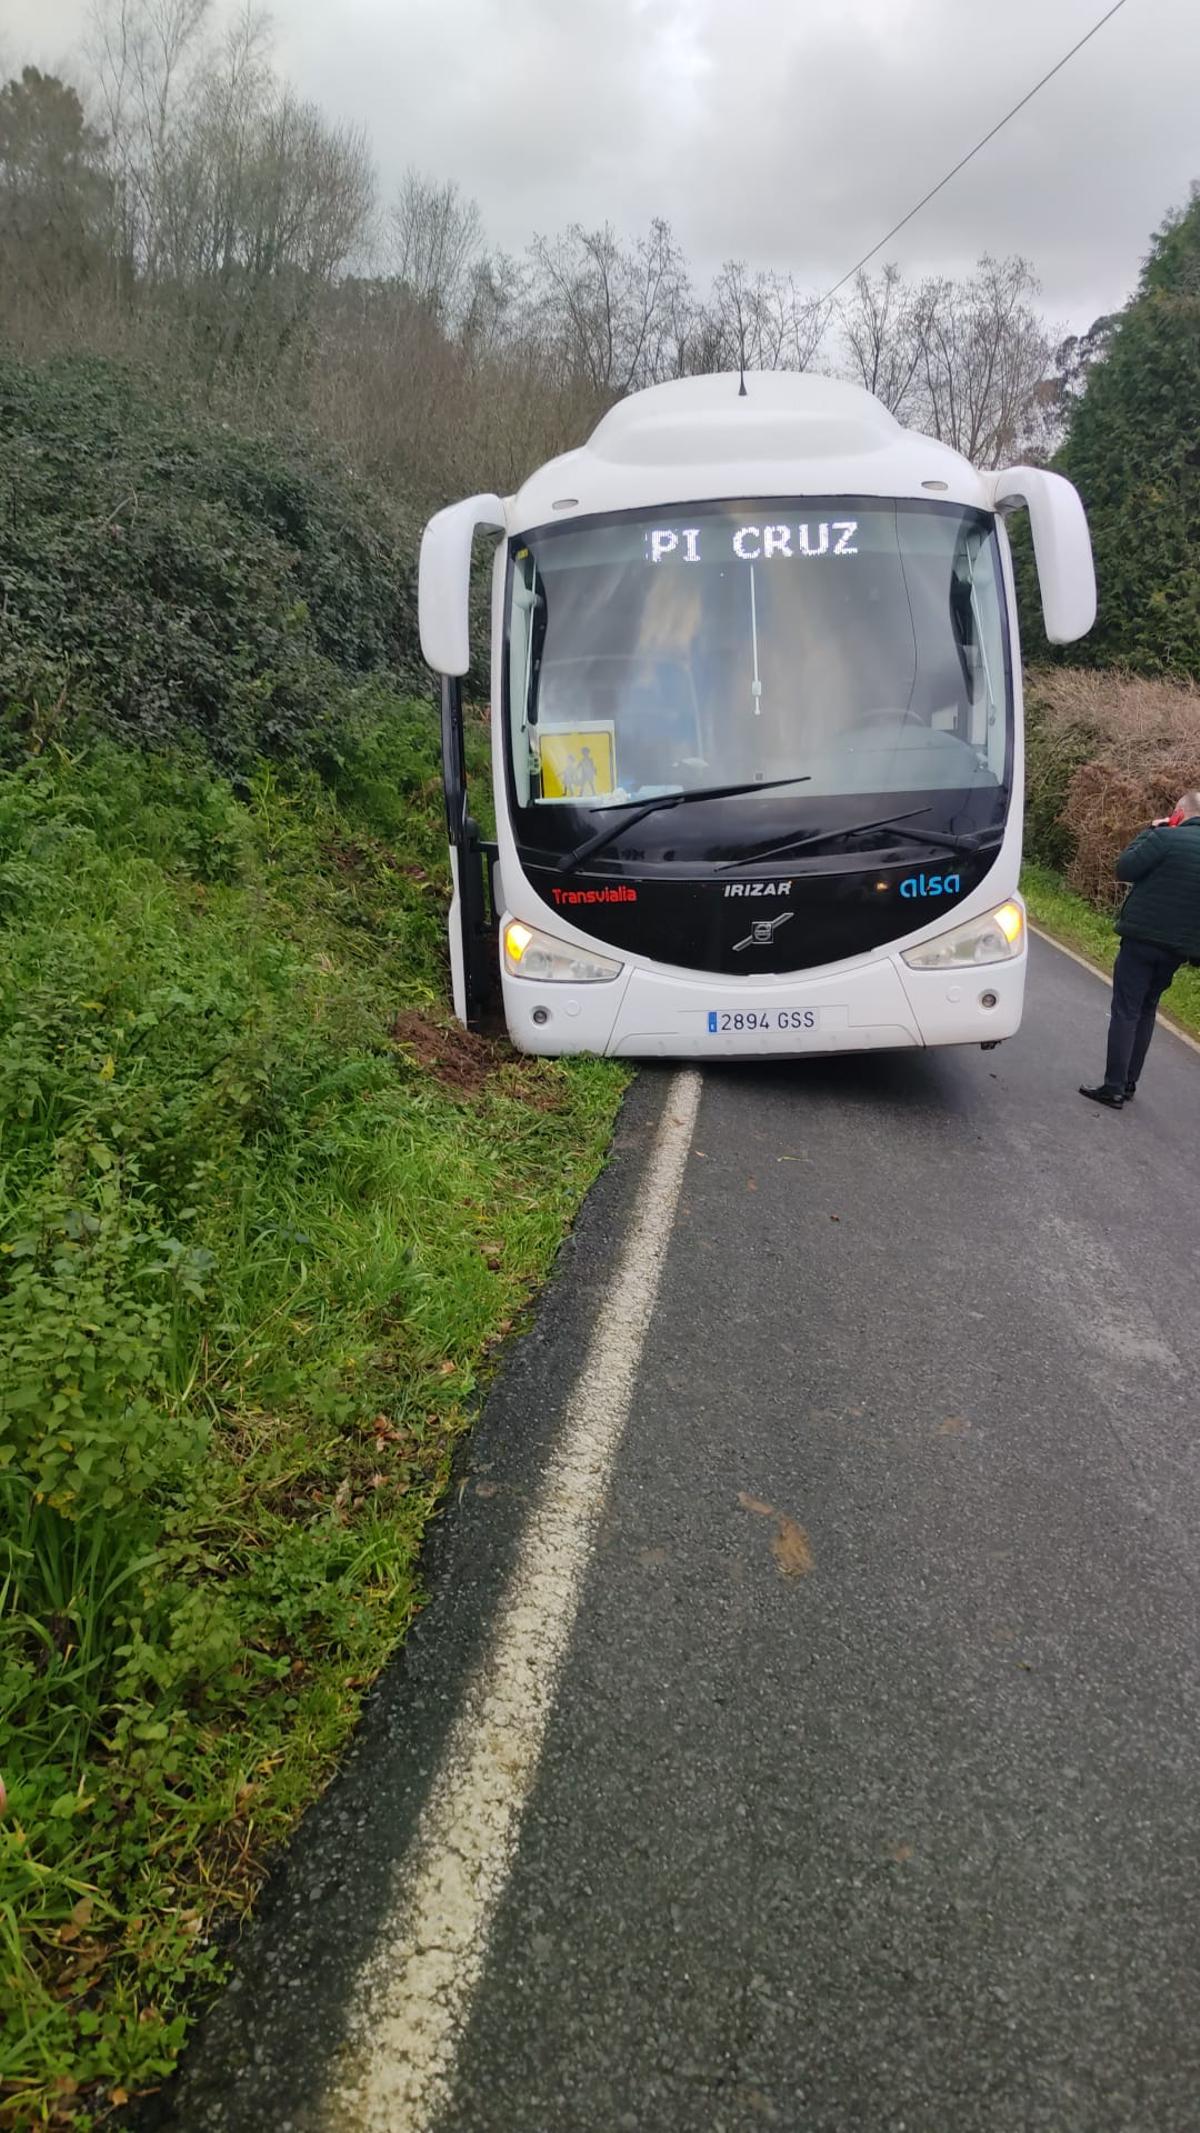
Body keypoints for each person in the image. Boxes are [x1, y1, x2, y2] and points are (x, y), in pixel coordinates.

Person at [1080, 791, 1200, 1108]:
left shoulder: (1164, 838)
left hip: (1141, 940)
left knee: (1126, 1009)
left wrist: (1150, 829)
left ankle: (1113, 1087)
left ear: (1180, 812)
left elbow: (1125, 868)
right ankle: (1129, 1083)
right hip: (1177, 948)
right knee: (1148, 1008)